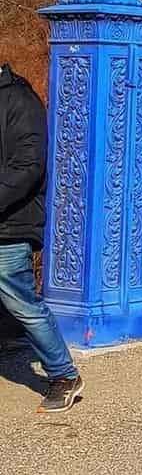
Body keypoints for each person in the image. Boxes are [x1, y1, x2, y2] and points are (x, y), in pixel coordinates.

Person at [0, 63, 82, 411]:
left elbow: (28, 167)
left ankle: (64, 374)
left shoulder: (19, 100)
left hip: (8, 224)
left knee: (23, 304)